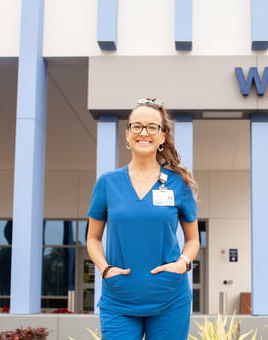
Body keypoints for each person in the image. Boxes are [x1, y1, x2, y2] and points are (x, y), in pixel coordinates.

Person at [87, 98, 200, 340]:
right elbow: (93, 238)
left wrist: (183, 263)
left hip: (170, 298)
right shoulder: (107, 183)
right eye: (137, 126)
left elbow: (193, 240)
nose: (144, 132)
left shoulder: (178, 184)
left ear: (162, 136)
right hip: (119, 299)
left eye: (152, 127)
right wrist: (105, 269)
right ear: (127, 134)